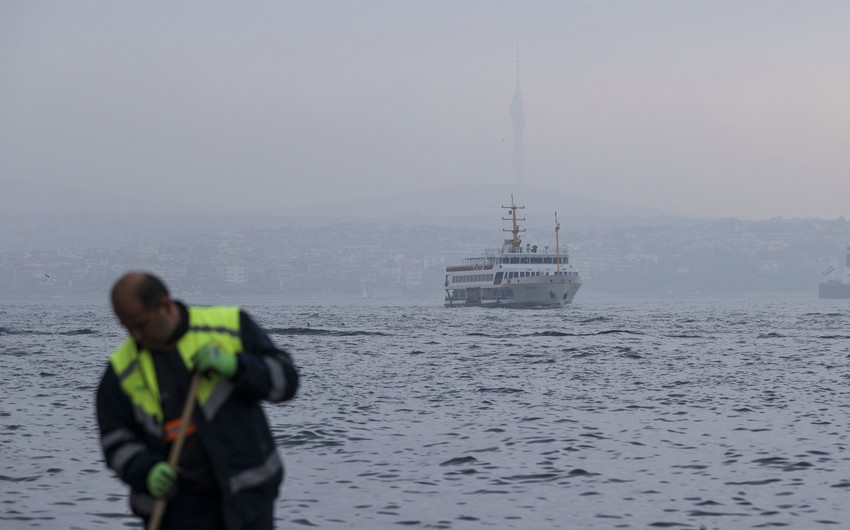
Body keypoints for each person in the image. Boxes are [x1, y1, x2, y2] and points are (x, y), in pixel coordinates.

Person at [96, 271, 299, 529]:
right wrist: (145, 470)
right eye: (127, 327)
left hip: (247, 502)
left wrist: (237, 366)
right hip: (175, 512)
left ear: (166, 306)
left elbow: (286, 382)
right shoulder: (121, 372)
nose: (135, 335)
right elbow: (115, 441)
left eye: (141, 324)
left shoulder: (230, 326)